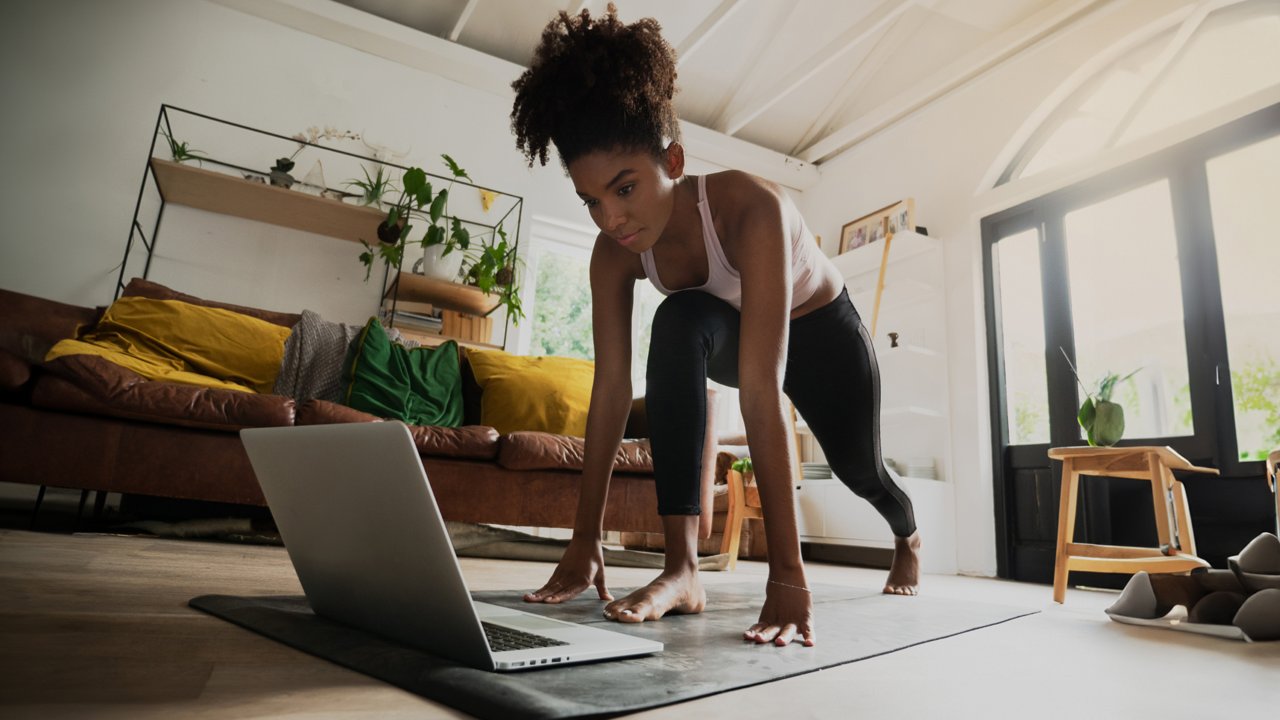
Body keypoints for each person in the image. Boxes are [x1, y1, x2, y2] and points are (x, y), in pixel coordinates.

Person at [509, 4, 920, 648]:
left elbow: (761, 391)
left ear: (672, 160)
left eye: (625, 188)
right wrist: (584, 540)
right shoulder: (614, 253)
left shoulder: (751, 209)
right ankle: (683, 570)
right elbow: (611, 390)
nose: (611, 218)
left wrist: (788, 575)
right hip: (727, 331)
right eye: (592, 200)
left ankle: (907, 532)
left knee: (858, 469)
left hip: (822, 333)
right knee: (676, 321)